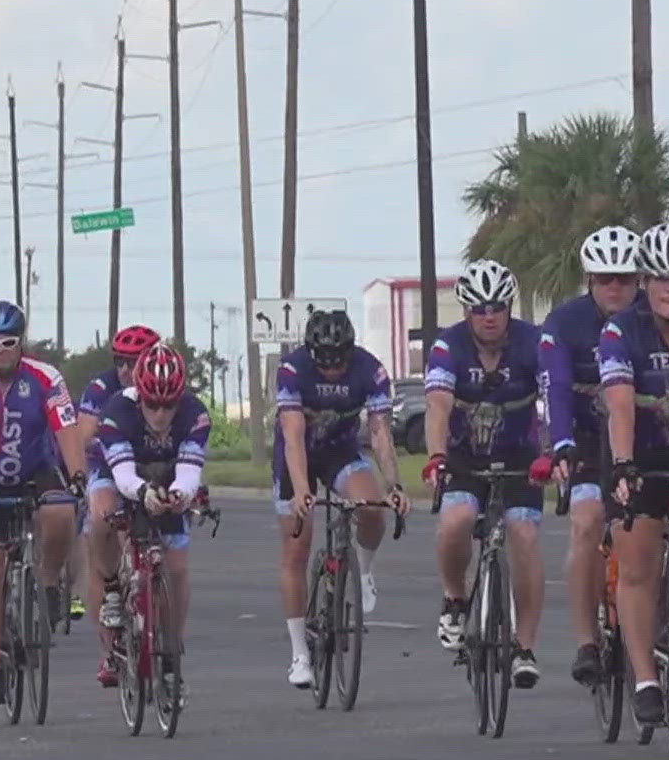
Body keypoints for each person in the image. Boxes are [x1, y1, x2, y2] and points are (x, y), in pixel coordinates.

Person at [0, 300, 87, 704]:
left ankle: (47, 582)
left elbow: (66, 429)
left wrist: (78, 473)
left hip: (36, 468)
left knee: (62, 509)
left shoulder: (46, 378)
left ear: (20, 342)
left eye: (7, 342)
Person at [599, 223, 669, 726]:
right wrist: (623, 464)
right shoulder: (622, 331)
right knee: (638, 564)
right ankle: (645, 678)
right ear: (644, 281)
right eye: (660, 277)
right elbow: (620, 403)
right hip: (638, 454)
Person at [424, 260, 545, 688]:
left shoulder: (534, 343)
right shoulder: (448, 347)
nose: (489, 315)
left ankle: (524, 647)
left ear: (509, 306)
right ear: (465, 311)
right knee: (455, 520)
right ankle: (455, 598)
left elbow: (553, 400)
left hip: (522, 458)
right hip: (464, 458)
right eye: (478, 308)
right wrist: (436, 456)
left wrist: (553, 452)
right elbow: (438, 405)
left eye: (497, 306)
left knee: (525, 535)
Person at [275, 308, 410, 689]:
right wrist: (302, 489)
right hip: (296, 456)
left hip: (340, 451)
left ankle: (363, 572)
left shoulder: (371, 370)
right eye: (325, 361)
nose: (333, 369)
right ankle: (300, 653)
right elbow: (293, 436)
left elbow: (381, 434)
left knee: (371, 509)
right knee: (296, 548)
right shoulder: (292, 370)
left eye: (340, 361)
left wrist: (394, 485)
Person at [542, 225, 642, 688]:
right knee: (585, 521)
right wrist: (560, 442)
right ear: (590, 281)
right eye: (605, 279)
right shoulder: (565, 324)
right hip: (584, 439)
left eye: (624, 277)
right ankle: (587, 641)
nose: (615, 287)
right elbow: (557, 389)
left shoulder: (655, 317)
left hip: (643, 439)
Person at [91, 344, 209, 681]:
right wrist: (143, 492)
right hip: (118, 471)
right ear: (139, 395)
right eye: (152, 405)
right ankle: (112, 587)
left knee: (177, 567)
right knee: (104, 512)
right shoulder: (116, 411)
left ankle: (172, 642)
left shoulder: (195, 415)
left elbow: (189, 471)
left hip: (166, 472)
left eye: (168, 405)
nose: (160, 415)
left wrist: (178, 494)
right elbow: (124, 474)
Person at [79, 324, 162, 686]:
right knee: (101, 521)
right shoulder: (101, 389)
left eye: (135, 361)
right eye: (121, 362)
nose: (127, 370)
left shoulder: (164, 383)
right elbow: (83, 439)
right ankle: (109, 644)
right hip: (107, 466)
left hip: (152, 465)